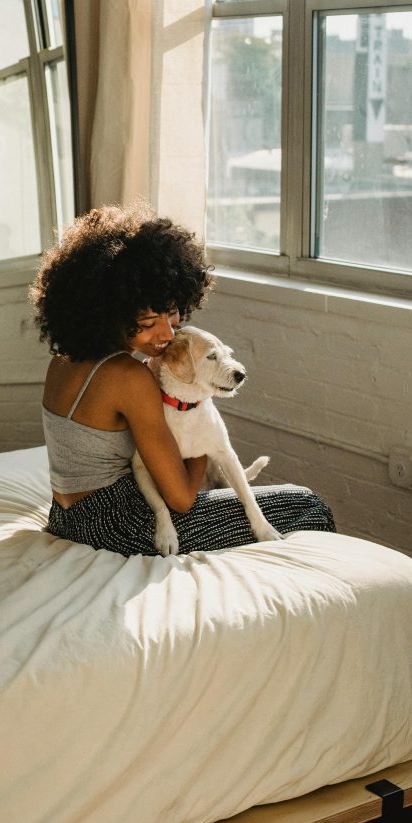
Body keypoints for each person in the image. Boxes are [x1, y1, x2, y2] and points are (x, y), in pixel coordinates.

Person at [30, 201, 335, 557]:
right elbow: (182, 499)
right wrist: (205, 437)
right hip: (119, 526)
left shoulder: (62, 361)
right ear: (108, 313)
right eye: (147, 324)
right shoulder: (130, 378)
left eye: (172, 314)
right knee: (306, 505)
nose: (166, 334)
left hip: (65, 517)